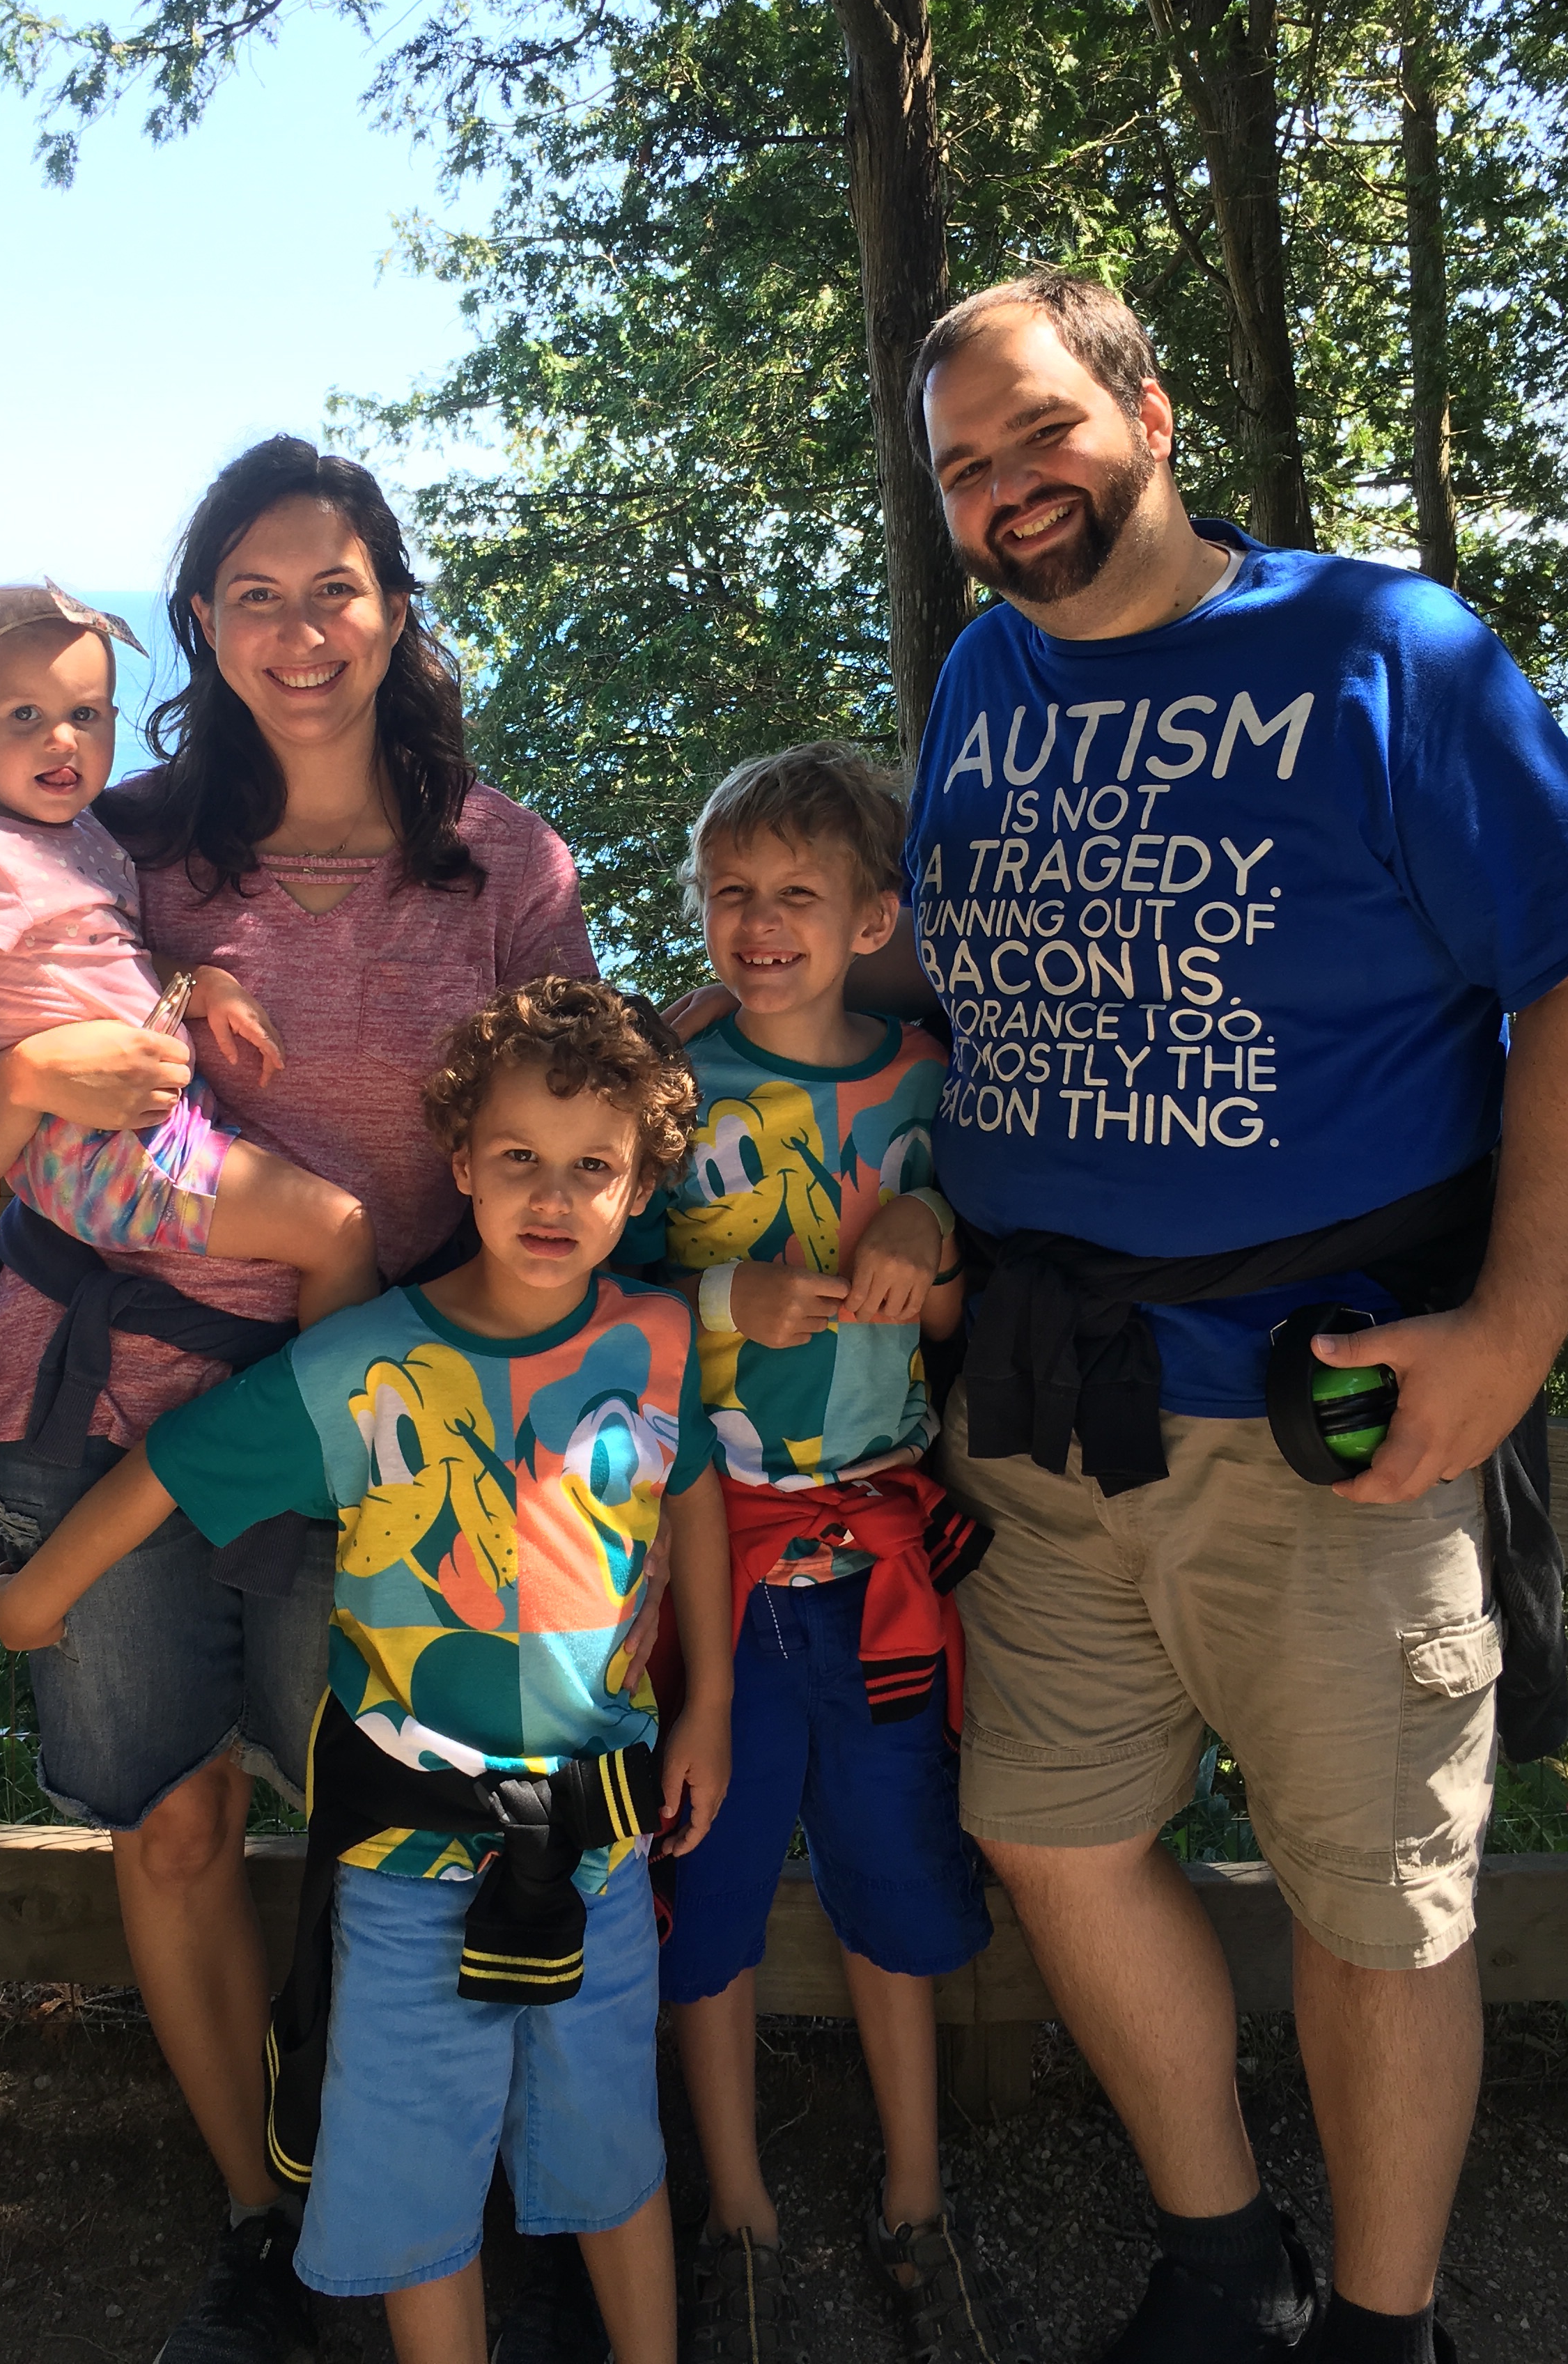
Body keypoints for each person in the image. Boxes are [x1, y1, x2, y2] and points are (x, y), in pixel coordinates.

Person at [893, 270, 1568, 2364]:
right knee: (1046, 1837)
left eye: (1042, 431)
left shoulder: (1385, 650)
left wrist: (1514, 1332)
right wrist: (739, 1012)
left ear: (1148, 414)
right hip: (1046, 1410)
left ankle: (1388, 2330)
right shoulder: (984, 675)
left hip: (1331, 1413)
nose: (1008, 489)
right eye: (964, 467)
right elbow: (980, 964)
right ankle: (1228, 2265)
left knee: (1375, 1899)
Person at [0, 439, 600, 2364]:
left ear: (395, 608)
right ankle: (264, 2227)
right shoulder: (112, 834)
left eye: (336, 589)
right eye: (255, 597)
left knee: (413, 1837)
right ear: (205, 628)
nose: (302, 632)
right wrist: (38, 1071)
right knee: (174, 1830)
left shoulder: (509, 865)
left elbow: (590, 1119)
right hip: (100, 1411)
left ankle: (442, 2213)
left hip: (389, 1438)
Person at [0, 976, 736, 2364]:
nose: (553, 1197)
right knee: (411, 2176)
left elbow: (689, 1490)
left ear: (640, 1188)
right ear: (461, 1162)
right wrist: (36, 1596)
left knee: (611, 2142)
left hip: (599, 1845)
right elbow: (174, 1464)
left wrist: (715, 1705)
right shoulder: (367, 1363)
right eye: (518, 1158)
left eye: (594, 1169)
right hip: (405, 1864)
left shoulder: (658, 1342)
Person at [624, 742, 1000, 2364]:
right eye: (730, 894)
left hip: (880, 1565)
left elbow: (976, 1295)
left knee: (893, 1882)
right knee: (705, 1890)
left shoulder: (930, 1083)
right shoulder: (672, 1094)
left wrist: (931, 1230)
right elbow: (590, 1296)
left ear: (873, 921)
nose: (759, 923)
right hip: (707, 1565)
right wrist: (728, 1299)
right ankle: (741, 2215)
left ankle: (918, 2198)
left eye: (796, 894)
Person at [0, 580, 380, 1325]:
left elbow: (108, 957)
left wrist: (197, 983)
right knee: (339, 1232)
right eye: (25, 715)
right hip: (98, 1145)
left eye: (85, 714)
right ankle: (331, 1400)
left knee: (324, 1227)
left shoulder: (81, 836)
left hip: (132, 1130)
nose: (62, 739)